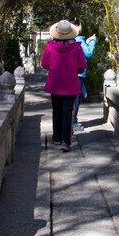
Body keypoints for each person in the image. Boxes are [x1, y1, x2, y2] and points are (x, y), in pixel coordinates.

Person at [41, 20, 86, 152]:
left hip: (55, 83)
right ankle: (65, 141)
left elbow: (45, 64)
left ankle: (56, 137)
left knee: (56, 110)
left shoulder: (50, 46)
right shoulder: (77, 48)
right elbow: (82, 66)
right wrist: (72, 69)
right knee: (68, 112)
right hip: (70, 84)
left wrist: (55, 68)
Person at [72, 21, 97, 131]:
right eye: (80, 24)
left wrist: (86, 42)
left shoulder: (69, 40)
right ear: (77, 26)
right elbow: (88, 53)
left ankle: (70, 122)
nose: (81, 26)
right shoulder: (78, 39)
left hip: (69, 73)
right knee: (76, 99)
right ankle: (73, 122)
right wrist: (92, 41)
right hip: (78, 74)